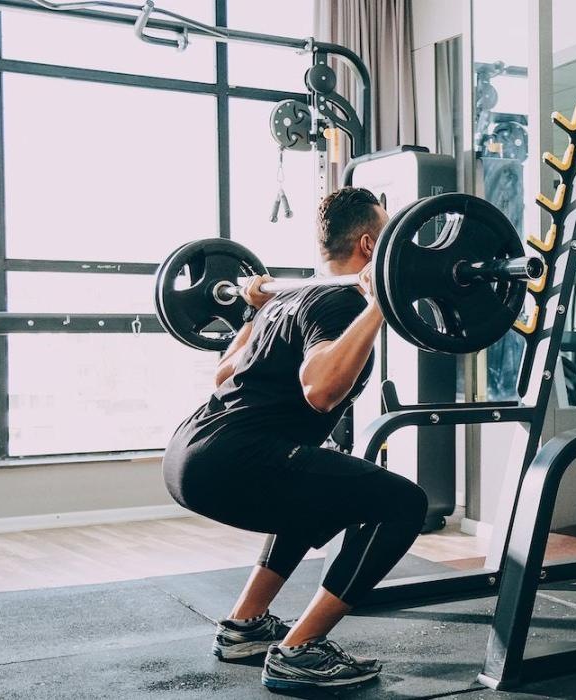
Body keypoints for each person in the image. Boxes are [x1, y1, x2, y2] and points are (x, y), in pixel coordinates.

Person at [162, 187, 428, 690]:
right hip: (234, 458)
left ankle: (246, 626)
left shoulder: (288, 298)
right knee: (403, 504)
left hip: (190, 452)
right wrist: (379, 305)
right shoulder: (342, 302)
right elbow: (321, 391)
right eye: (390, 235)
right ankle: (299, 649)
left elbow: (223, 377)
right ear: (371, 247)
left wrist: (251, 311)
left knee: (316, 485)